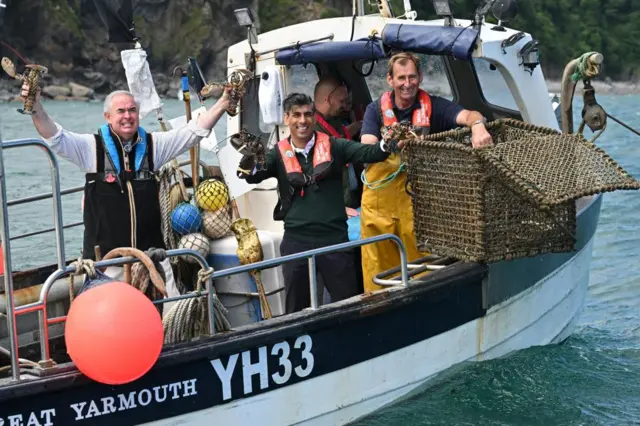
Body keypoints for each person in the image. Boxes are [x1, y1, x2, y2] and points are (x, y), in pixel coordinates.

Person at [19, 82, 230, 297]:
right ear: (108, 116)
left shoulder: (153, 145)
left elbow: (193, 132)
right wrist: (35, 107)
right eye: (120, 111)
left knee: (170, 313)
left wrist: (224, 102)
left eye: (132, 110)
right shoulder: (90, 148)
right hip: (107, 265)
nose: (127, 116)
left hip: (152, 261)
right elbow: (54, 136)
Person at [237, 93, 392, 314]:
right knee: (295, 310)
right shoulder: (276, 154)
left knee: (348, 306)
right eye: (296, 115)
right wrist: (249, 157)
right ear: (286, 118)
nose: (303, 121)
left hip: (334, 241)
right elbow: (252, 176)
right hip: (296, 242)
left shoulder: (335, 146)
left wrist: (389, 144)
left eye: (308, 114)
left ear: (314, 116)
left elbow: (369, 152)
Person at [359, 52, 493, 292]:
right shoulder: (374, 110)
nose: (407, 83)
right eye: (401, 78)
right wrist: (388, 144)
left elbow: (470, 115)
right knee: (377, 265)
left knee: (422, 267)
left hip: (419, 204)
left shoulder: (436, 107)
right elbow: (367, 146)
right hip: (379, 206)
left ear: (420, 77)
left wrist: (478, 126)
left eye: (412, 77)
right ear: (390, 80)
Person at [313, 76, 363, 210]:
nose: (346, 107)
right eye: (342, 101)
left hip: (350, 199)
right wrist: (336, 207)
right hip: (334, 208)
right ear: (327, 99)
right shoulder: (309, 131)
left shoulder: (335, 120)